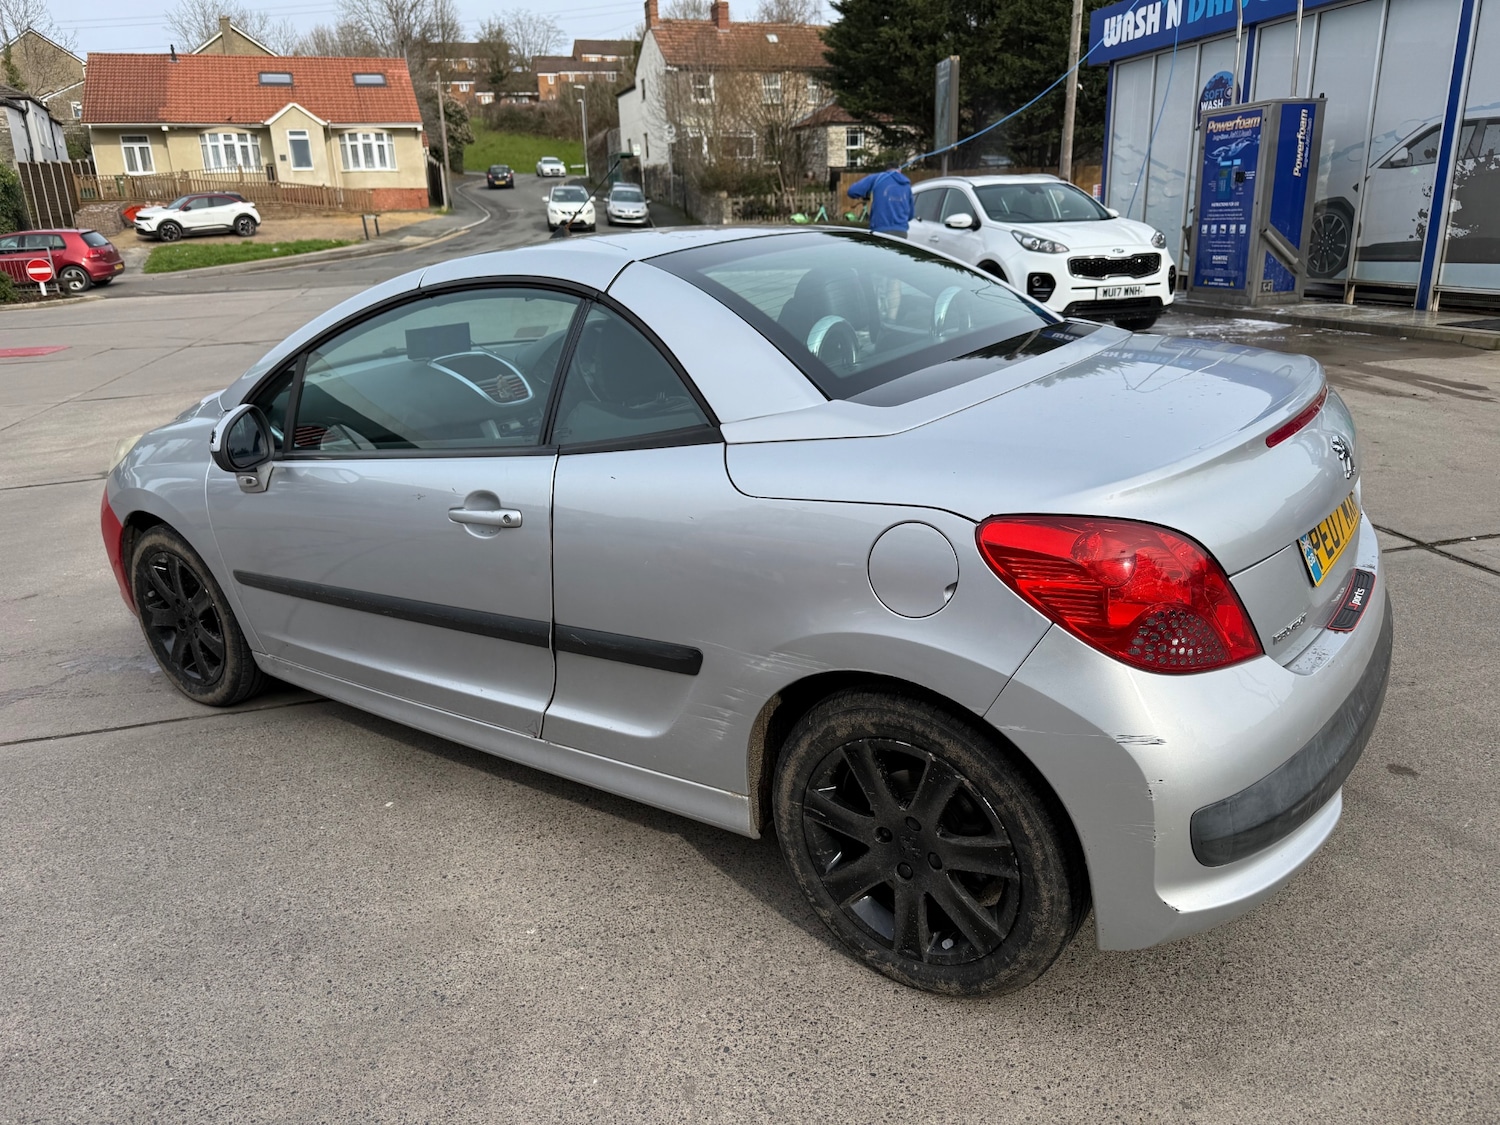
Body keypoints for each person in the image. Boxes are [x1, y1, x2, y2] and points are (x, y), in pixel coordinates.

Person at [847, 164, 914, 238]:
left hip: (880, 230)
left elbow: (852, 191)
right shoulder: (906, 185)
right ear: (900, 170)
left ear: (886, 170)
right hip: (901, 232)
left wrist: (866, 193)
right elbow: (910, 215)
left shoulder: (878, 178)